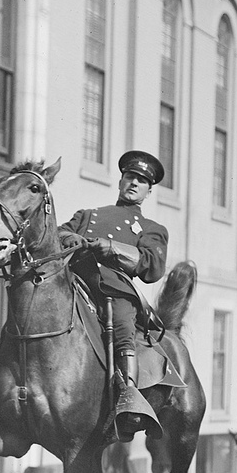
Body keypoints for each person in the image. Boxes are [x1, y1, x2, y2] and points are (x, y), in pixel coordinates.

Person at [58, 150, 168, 440]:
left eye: (141, 181)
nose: (133, 183)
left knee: (122, 326)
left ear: (148, 192)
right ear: (121, 180)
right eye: (130, 177)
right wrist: (75, 239)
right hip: (76, 281)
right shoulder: (89, 215)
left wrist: (112, 248)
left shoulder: (152, 229)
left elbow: (152, 266)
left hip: (114, 291)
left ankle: (128, 398)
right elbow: (58, 234)